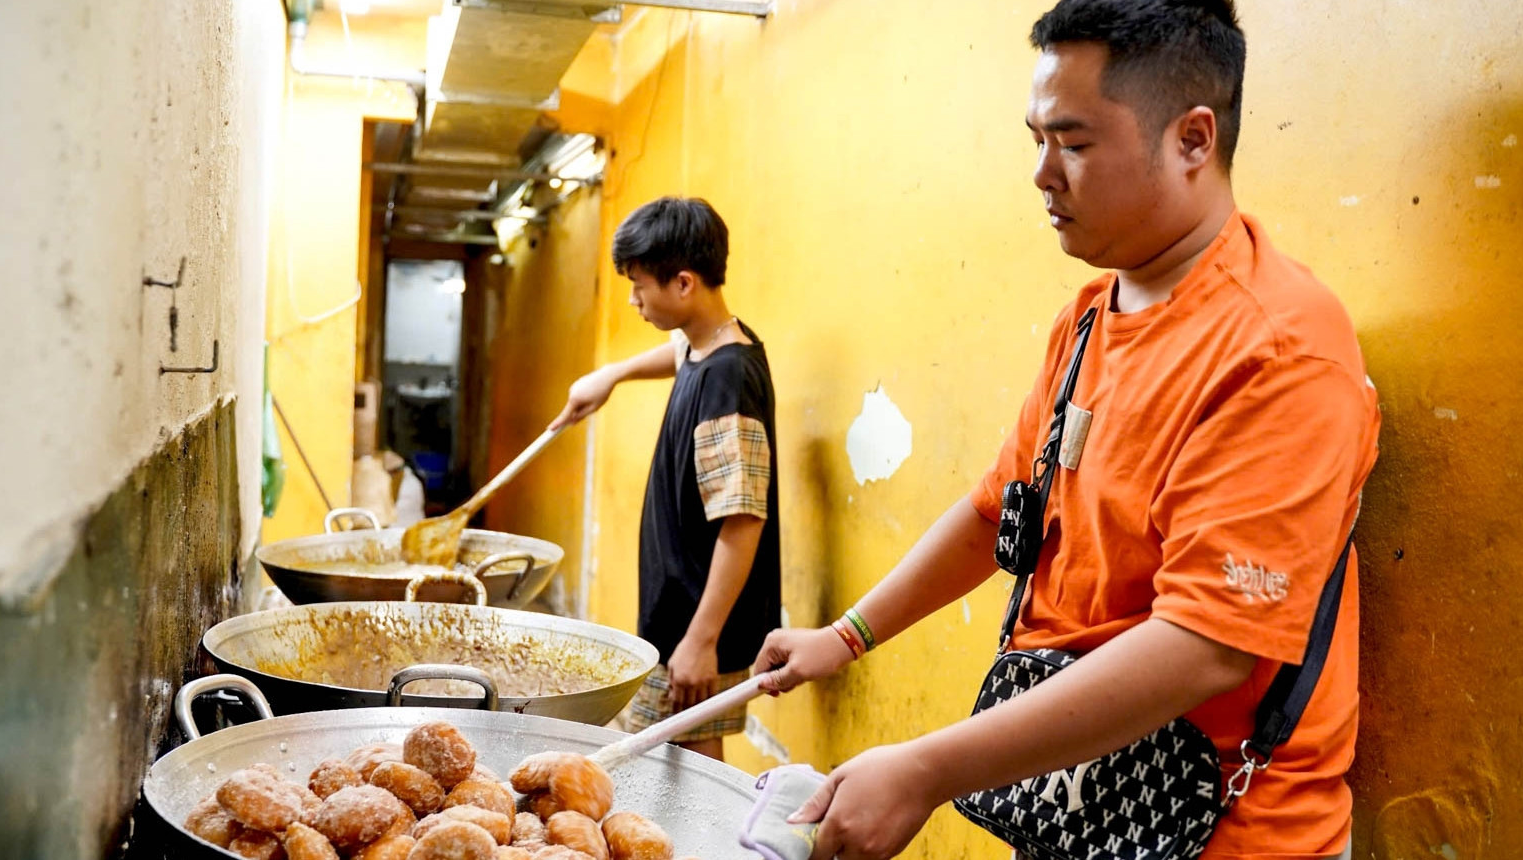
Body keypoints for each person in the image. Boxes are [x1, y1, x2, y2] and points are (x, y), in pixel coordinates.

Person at [752, 1, 1379, 858]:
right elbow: (998, 512)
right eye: (1037, 139)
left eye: (1075, 143)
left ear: (1194, 139)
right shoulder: (1091, 315)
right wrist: (846, 637)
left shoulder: (1280, 349)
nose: (1043, 174)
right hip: (1079, 801)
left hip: (1219, 832)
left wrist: (929, 769)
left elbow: (1206, 648)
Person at [551, 196, 781, 762]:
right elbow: (679, 351)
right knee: (670, 760)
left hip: (697, 629)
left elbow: (743, 522)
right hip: (678, 620)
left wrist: (700, 642)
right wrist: (610, 375)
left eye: (639, 287)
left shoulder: (728, 382)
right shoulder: (710, 345)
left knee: (685, 767)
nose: (633, 300)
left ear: (683, 284)